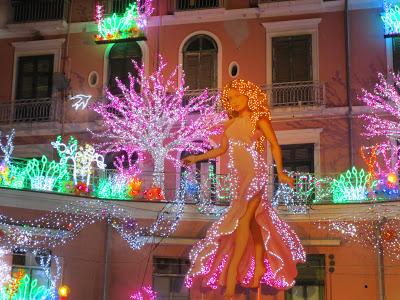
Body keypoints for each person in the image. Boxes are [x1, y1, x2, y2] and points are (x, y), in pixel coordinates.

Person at [182, 79, 306, 298]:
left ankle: (231, 278)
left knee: (242, 221)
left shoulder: (259, 120)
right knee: (253, 223)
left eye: (238, 96)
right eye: (230, 99)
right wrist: (196, 157)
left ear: (249, 95)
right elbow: (221, 150)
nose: (235, 102)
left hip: (255, 172)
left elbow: (275, 146)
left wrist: (281, 173)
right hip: (238, 176)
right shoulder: (229, 125)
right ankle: (258, 265)